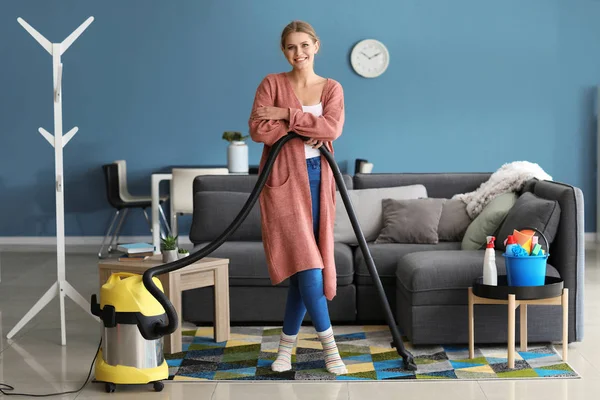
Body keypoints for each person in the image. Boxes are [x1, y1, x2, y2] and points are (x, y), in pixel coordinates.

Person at [248, 20, 347, 375]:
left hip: (321, 181)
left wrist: (285, 115)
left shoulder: (331, 88)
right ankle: (330, 350)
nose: (298, 53)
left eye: (304, 45)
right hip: (282, 182)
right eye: (291, 47)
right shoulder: (271, 84)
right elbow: (259, 129)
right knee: (308, 263)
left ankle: (284, 352)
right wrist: (304, 124)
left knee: (303, 272)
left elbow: (331, 128)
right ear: (283, 51)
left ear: (316, 46)